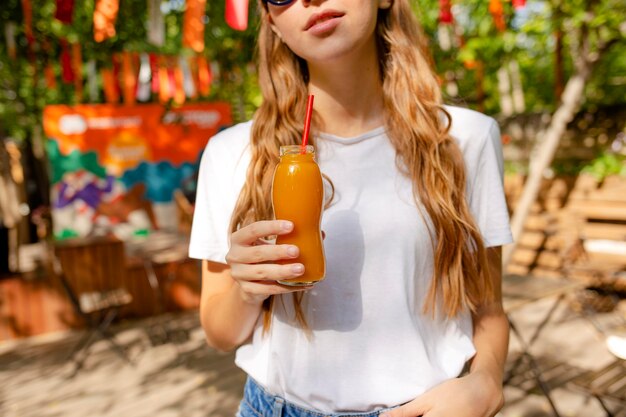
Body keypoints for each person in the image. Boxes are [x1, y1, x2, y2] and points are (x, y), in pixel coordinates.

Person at [188, 0, 513, 416]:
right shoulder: (231, 152)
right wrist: (248, 291)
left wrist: (486, 381)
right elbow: (219, 333)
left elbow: (488, 308)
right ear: (271, 20)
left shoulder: (466, 139)